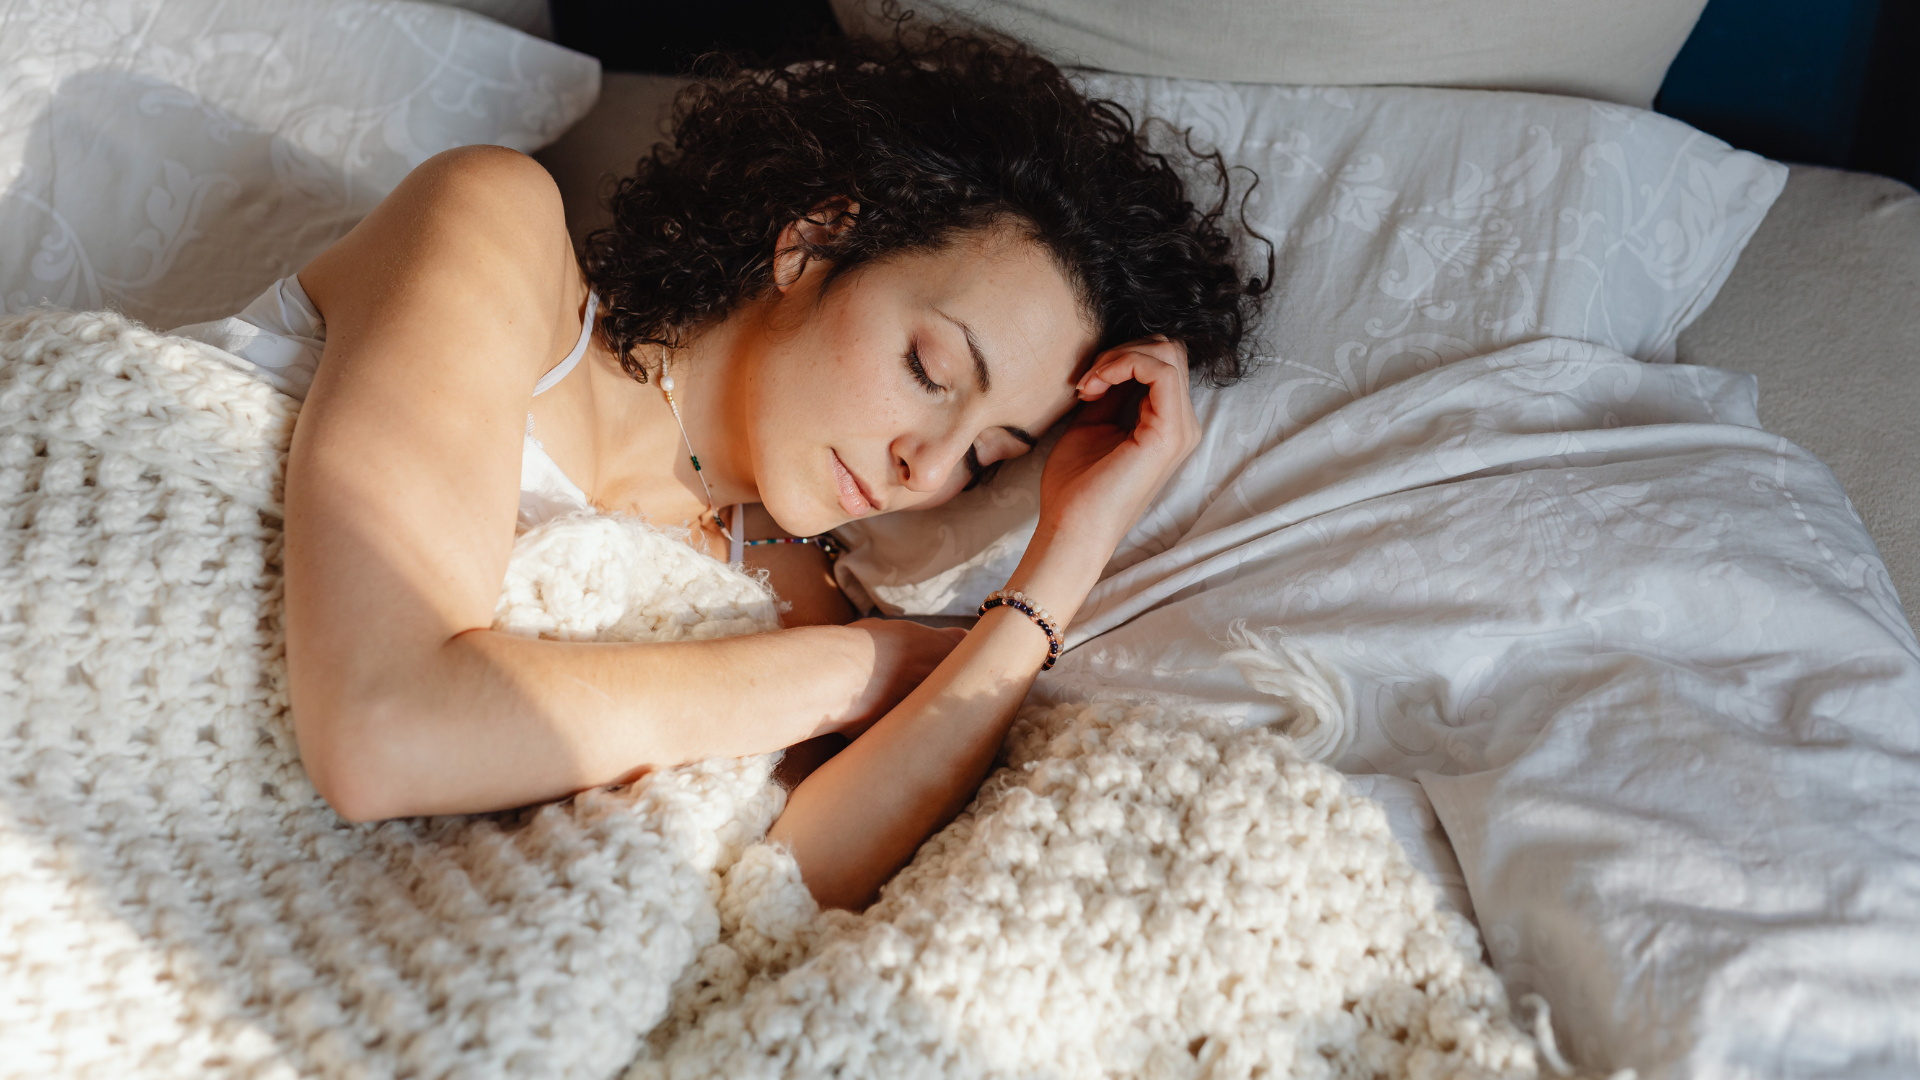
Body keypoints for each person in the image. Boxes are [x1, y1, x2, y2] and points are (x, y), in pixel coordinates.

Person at [246, 26, 1265, 910]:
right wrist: (866, 668)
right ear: (814, 243)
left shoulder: (787, 586)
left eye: (988, 455)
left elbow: (792, 888)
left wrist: (1064, 554)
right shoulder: (495, 225)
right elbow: (379, 733)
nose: (926, 466)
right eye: (929, 369)